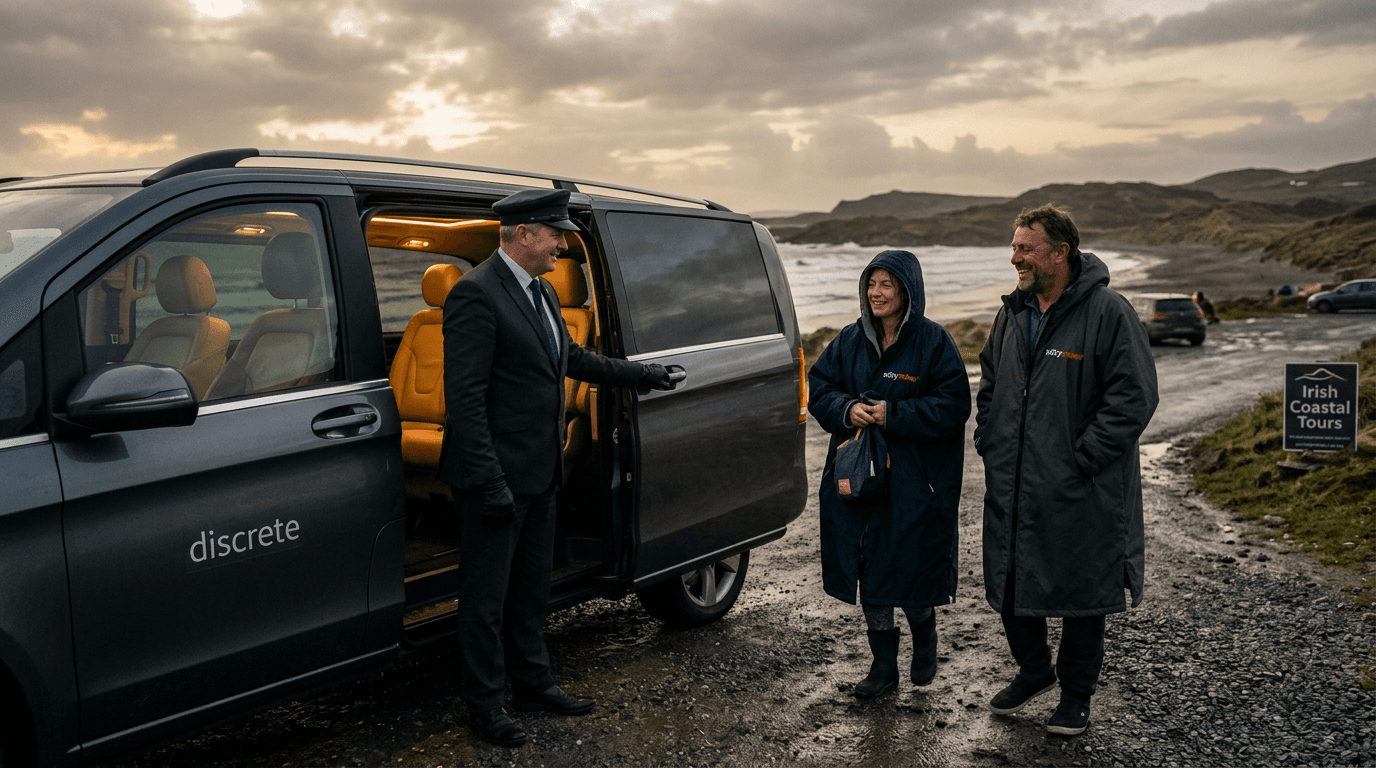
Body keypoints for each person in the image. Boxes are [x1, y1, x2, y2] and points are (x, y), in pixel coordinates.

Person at [438, 188, 674, 747]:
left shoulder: (541, 292)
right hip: (493, 478)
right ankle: (484, 708)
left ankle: (535, 684)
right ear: (524, 235)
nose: (564, 244)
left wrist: (643, 374)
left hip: (541, 472)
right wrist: (491, 480)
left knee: (529, 592)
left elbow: (571, 359)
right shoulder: (475, 295)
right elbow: (464, 401)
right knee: (485, 600)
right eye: (556, 234)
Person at [975, 205, 1158, 736]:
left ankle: (1076, 695)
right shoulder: (1012, 313)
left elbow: (1134, 396)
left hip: (1082, 486)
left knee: (1083, 594)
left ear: (1061, 252)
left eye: (1026, 249)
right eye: (1014, 248)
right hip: (1012, 479)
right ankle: (1034, 670)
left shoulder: (1107, 312)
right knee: (1010, 580)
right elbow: (990, 379)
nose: (1015, 258)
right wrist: (991, 439)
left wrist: (1084, 457)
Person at [808, 250, 971, 700]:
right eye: (871, 284)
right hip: (859, 477)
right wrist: (847, 408)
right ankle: (883, 667)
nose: (876, 293)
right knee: (868, 567)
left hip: (914, 481)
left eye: (887, 285)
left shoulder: (934, 342)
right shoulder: (848, 340)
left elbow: (955, 406)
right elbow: (819, 386)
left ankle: (925, 636)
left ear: (908, 291)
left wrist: (892, 413)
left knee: (912, 565)